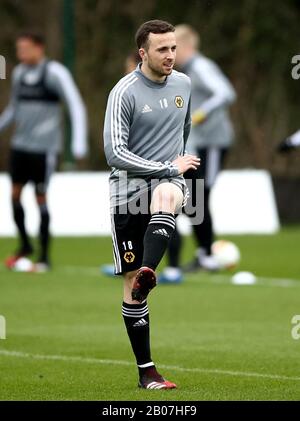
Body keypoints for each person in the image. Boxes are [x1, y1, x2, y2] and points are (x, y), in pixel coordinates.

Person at [103, 20, 200, 389]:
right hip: (126, 193)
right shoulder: (123, 92)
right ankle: (147, 372)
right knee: (130, 287)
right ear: (143, 53)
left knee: (166, 193)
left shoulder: (184, 84)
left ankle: (148, 269)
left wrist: (172, 168)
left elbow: (184, 129)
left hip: (166, 182)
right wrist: (165, 165)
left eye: (173, 48)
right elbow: (115, 153)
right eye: (162, 49)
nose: (170, 55)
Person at [0, 31, 88, 271]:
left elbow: (75, 105)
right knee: (14, 195)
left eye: (25, 48)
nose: (21, 54)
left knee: (40, 198)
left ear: (39, 48)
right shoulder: (18, 73)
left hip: (44, 149)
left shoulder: (54, 72)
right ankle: (25, 245)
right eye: (19, 49)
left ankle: (44, 255)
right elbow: (13, 108)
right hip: (20, 146)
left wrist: (78, 143)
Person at [158, 24, 236, 283]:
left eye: (174, 48)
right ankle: (205, 254)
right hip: (200, 142)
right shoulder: (187, 71)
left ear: (187, 46)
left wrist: (200, 115)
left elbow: (226, 93)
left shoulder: (201, 66)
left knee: (200, 195)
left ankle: (207, 254)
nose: (171, 54)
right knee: (196, 199)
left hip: (214, 141)